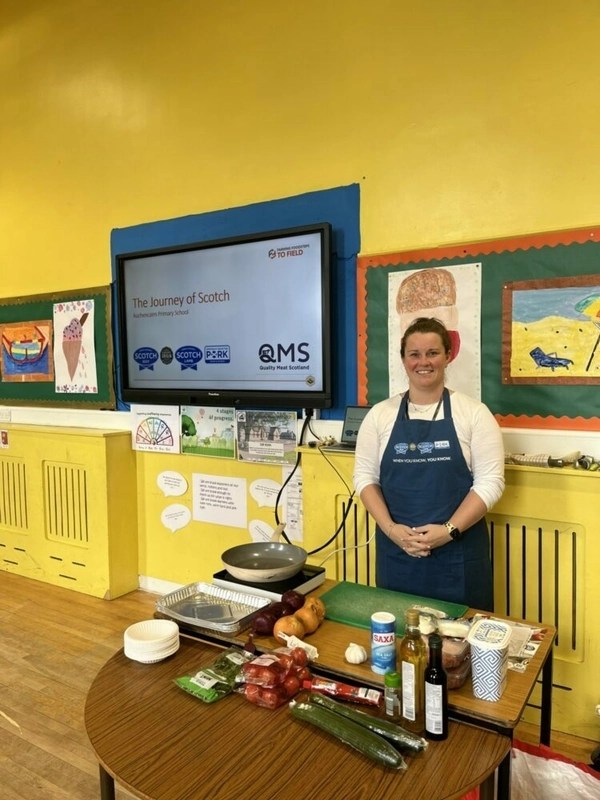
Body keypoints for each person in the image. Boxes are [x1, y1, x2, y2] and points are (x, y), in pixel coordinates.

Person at [353, 317, 504, 611]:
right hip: (398, 553)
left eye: (432, 353)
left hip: (457, 555)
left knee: (460, 636)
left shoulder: (474, 413)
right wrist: (391, 529)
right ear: (403, 359)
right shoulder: (380, 415)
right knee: (399, 633)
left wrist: (448, 531)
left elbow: (491, 482)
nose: (424, 362)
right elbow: (365, 478)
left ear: (448, 356)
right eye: (415, 354)